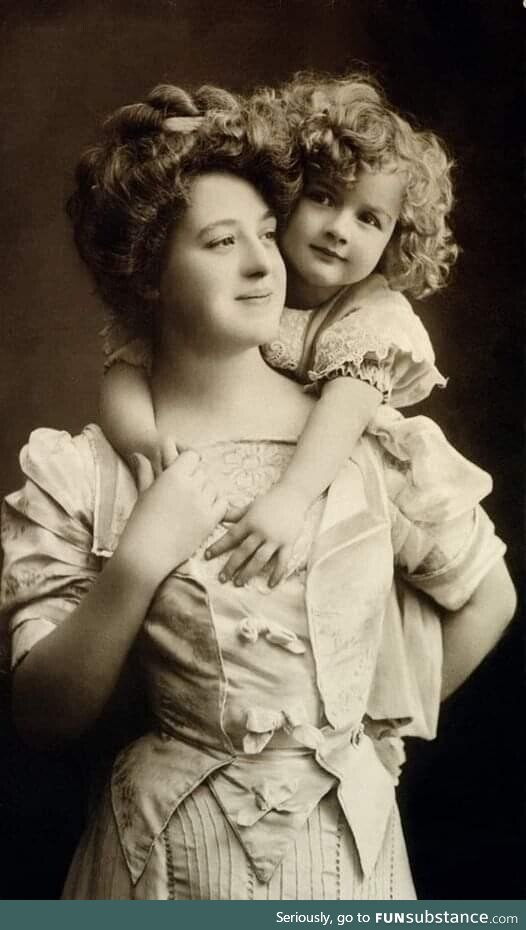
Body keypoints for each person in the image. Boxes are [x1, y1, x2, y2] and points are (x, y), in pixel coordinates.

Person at [0, 82, 515, 900]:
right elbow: (41, 716)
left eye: (268, 235)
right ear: (149, 273)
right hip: (162, 861)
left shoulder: (370, 441)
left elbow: (491, 598)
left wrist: (360, 729)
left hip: (346, 856)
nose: (261, 263)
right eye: (219, 241)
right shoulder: (87, 469)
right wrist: (139, 561)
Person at [99, 72, 492, 589]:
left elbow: (345, 408)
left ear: (396, 239)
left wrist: (290, 498)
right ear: (287, 194)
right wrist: (145, 444)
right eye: (324, 197)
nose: (339, 229)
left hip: (336, 462)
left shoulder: (373, 313)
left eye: (369, 219)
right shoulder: (243, 279)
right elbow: (127, 365)